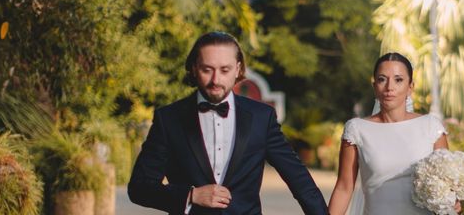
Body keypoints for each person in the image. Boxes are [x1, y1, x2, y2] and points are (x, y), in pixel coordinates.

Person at [128, 31, 328, 215]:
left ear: (238, 69)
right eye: (207, 69)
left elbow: (300, 182)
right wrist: (191, 195)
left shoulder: (262, 117)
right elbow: (139, 187)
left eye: (225, 70)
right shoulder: (169, 119)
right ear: (194, 68)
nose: (216, 79)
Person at [328, 52, 460, 215]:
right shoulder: (356, 129)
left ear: (410, 87)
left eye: (398, 80)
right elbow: (344, 188)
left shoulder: (431, 127)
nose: (390, 87)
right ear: (375, 86)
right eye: (382, 79)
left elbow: (447, 182)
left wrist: (454, 201)